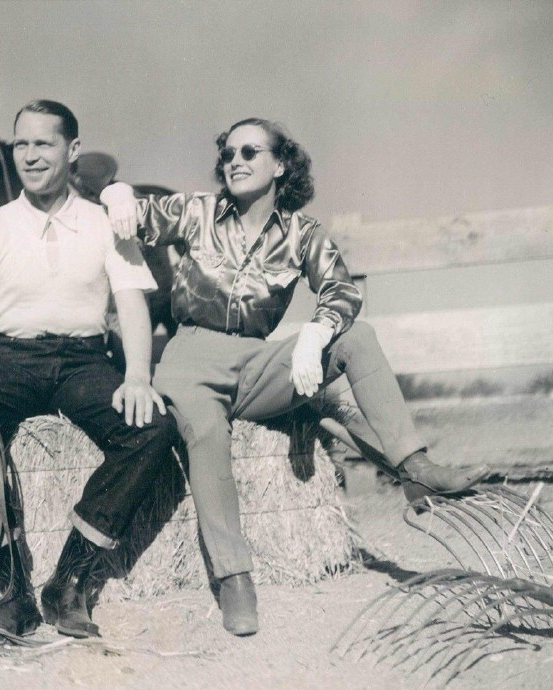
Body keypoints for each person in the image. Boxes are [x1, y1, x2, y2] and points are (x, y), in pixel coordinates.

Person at [100, 118, 490, 637]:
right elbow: (132, 216)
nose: (235, 161)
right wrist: (117, 190)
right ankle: (235, 577)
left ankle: (414, 466)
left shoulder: (303, 234)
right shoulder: (197, 211)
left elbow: (343, 291)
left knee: (357, 336)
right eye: (229, 154)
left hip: (257, 363)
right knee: (208, 434)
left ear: (280, 165)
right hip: (190, 358)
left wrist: (315, 332)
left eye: (250, 152)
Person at [0, 100, 179, 643]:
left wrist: (136, 376)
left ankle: (69, 582)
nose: (31, 155)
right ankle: (7, 593)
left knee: (152, 429)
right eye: (21, 144)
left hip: (85, 361)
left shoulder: (105, 224)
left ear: (72, 151)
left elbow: (132, 307)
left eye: (44, 143)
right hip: (10, 361)